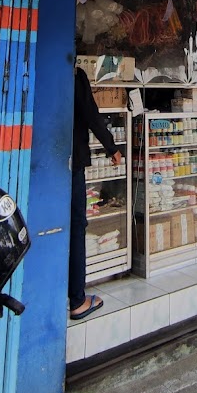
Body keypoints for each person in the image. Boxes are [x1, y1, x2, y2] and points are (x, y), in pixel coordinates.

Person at [69, 65, 122, 320]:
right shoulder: (75, 75)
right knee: (76, 226)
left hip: (44, 164)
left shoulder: (42, 70)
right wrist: (111, 147)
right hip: (71, 163)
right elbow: (91, 114)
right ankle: (78, 300)